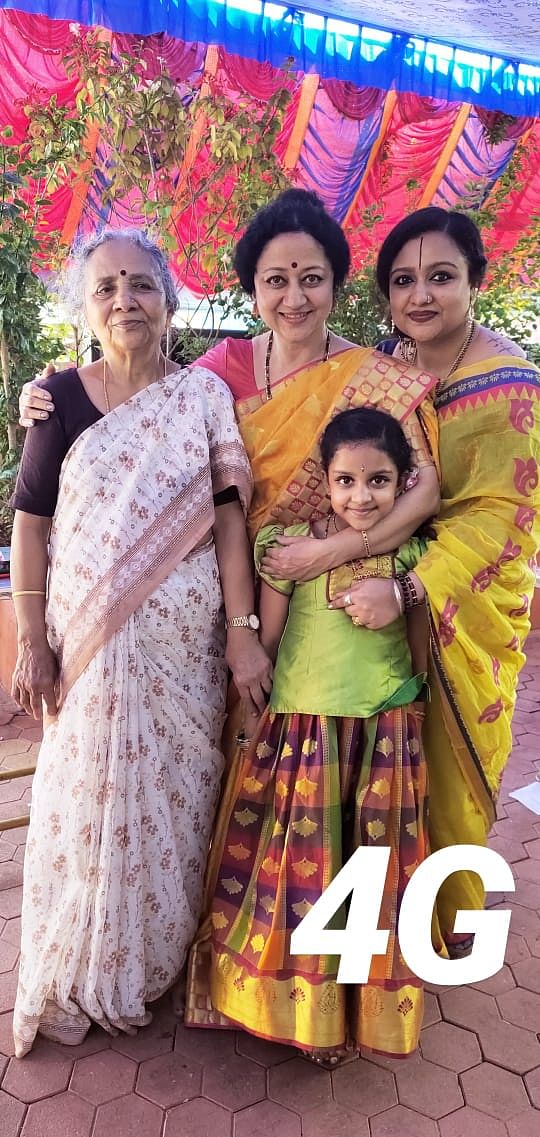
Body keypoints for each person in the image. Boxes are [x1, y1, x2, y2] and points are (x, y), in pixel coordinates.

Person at [10, 227, 272, 1058]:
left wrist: (240, 633)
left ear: (169, 298)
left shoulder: (200, 398)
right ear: (87, 308)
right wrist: (29, 640)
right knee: (86, 802)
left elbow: (229, 522)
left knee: (179, 798)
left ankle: (157, 959)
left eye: (141, 285)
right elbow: (33, 525)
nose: (125, 300)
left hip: (184, 651)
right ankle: (89, 961)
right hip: (85, 649)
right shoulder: (57, 397)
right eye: (106, 288)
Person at [318, 208, 540, 954]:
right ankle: (372, 922)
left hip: (457, 608)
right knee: (372, 763)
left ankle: (442, 928)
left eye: (441, 276)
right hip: (373, 592)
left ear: (475, 281)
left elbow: (503, 518)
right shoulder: (384, 366)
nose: (420, 295)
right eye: (403, 280)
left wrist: (411, 590)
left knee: (446, 770)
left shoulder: (511, 384)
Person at [193, 407, 432, 1065]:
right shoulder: (288, 549)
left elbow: (418, 650)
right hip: (302, 736)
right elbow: (264, 645)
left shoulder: (408, 553)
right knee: (304, 881)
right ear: (324, 482)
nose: (362, 496)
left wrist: (415, 710)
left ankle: (354, 1011)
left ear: (402, 482)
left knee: (367, 879)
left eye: (380, 480)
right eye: (347, 480)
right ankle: (300, 1005)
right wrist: (249, 717)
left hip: (383, 733)